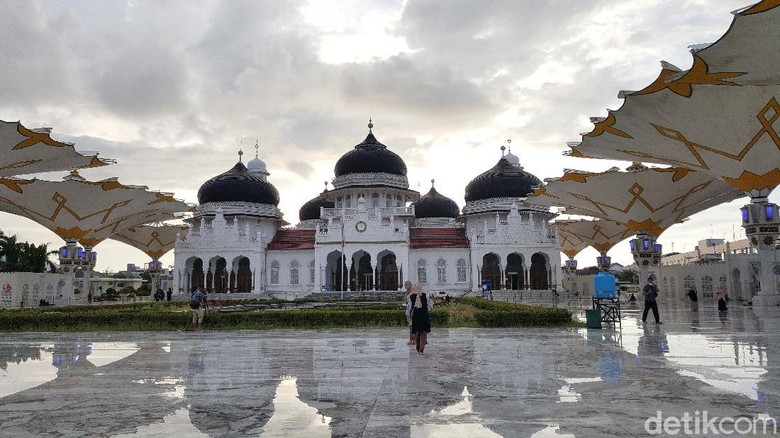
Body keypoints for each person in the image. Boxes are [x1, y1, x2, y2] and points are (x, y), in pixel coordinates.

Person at [410, 283, 433, 355]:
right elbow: (430, 306)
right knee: (420, 333)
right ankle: (420, 348)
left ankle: (420, 349)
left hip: (419, 316)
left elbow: (409, 308)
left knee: (421, 332)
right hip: (422, 316)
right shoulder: (412, 297)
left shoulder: (424, 295)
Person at [403, 281, 415, 345]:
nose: (405, 286)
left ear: (410, 285)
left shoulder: (413, 292)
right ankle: (412, 339)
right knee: (410, 325)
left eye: (407, 285)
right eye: (405, 285)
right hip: (408, 310)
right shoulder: (406, 292)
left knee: (413, 325)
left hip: (413, 310)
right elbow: (405, 301)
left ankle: (413, 340)